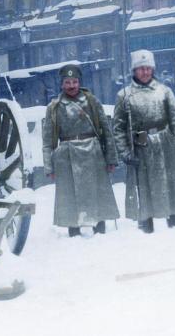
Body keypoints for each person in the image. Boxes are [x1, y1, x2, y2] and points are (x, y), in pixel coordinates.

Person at [113, 49, 175, 233]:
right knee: (145, 186)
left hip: (165, 139)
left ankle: (174, 225)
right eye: (140, 69)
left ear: (153, 69)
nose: (145, 72)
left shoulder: (164, 91)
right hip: (140, 139)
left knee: (171, 185)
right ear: (133, 71)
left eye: (148, 68)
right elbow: (118, 128)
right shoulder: (124, 95)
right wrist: (125, 152)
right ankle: (147, 228)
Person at [41, 64, 119, 237]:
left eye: (74, 81)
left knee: (97, 191)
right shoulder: (54, 107)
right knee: (70, 194)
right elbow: (47, 140)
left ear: (79, 82)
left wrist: (111, 159)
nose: (71, 86)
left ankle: (100, 229)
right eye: (67, 82)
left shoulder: (92, 101)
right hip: (67, 154)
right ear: (61, 84)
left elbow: (106, 131)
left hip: (93, 152)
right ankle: (73, 232)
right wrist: (49, 167)